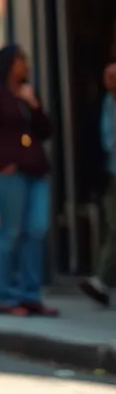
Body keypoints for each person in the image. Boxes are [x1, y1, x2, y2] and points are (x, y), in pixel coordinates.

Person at [0, 45, 57, 317]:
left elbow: (46, 131)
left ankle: (31, 295)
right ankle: (7, 297)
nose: (26, 65)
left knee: (37, 229)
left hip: (35, 172)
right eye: (21, 60)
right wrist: (1, 163)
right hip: (9, 174)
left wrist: (34, 105)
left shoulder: (26, 94)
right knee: (11, 233)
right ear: (9, 63)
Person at [83, 62, 116, 306]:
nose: (111, 80)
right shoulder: (99, 106)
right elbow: (95, 145)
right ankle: (101, 282)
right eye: (108, 76)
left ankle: (101, 282)